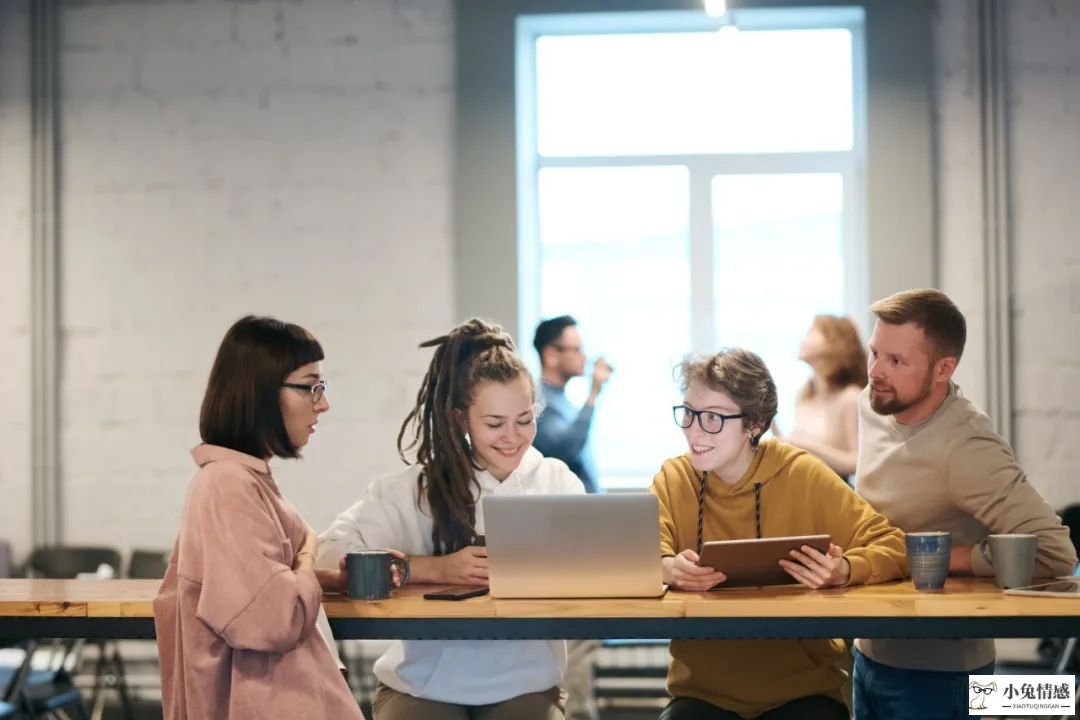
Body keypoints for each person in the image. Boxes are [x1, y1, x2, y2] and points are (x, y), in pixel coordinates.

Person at [317, 319, 584, 720]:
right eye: (494, 424)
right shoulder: (417, 489)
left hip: (525, 685)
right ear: (461, 419)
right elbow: (328, 553)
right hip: (423, 684)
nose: (511, 437)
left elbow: (595, 567)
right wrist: (432, 568)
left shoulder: (556, 481)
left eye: (525, 420)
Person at [852, 289, 1078, 720]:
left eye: (896, 361)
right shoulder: (874, 401)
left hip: (941, 677)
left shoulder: (967, 446)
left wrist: (937, 557)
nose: (876, 371)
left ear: (944, 368)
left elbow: (1055, 553)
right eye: (874, 353)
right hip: (868, 655)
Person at [650, 348, 907, 720]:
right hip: (702, 694)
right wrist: (667, 567)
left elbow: (894, 544)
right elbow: (638, 554)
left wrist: (846, 569)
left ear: (754, 424)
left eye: (712, 418)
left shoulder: (802, 473)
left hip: (804, 692)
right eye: (688, 413)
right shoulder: (673, 479)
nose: (693, 430)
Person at [153, 315, 362, 719]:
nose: (323, 402)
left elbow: (248, 589)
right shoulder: (228, 486)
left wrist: (325, 579)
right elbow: (272, 619)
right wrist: (306, 555)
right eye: (310, 386)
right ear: (262, 393)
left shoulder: (242, 479)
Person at [779, 314, 866, 480]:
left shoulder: (851, 398)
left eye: (812, 333)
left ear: (836, 343)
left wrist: (804, 447)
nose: (803, 340)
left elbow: (858, 462)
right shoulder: (803, 395)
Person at [532, 315, 612, 494]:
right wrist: (593, 394)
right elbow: (565, 449)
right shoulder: (539, 402)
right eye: (576, 349)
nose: (584, 356)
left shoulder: (561, 399)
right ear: (550, 355)